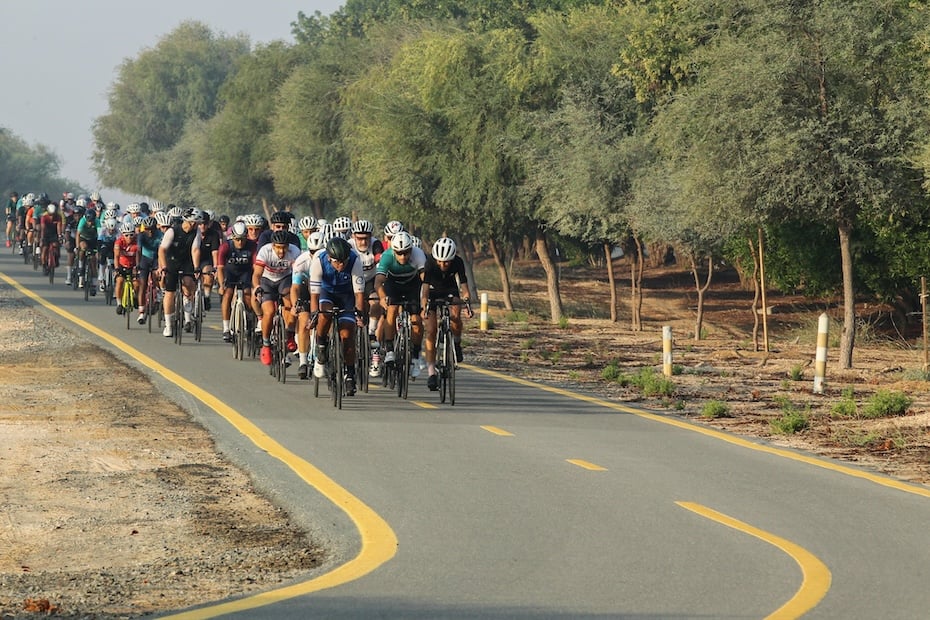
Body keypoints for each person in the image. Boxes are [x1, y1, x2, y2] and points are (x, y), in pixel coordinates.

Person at [309, 237, 365, 393]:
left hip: (347, 295)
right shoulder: (319, 260)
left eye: (343, 262)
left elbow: (359, 294)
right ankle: (321, 347)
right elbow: (314, 295)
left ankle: (350, 374)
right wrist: (314, 314)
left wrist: (359, 314)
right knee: (324, 314)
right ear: (329, 258)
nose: (341, 265)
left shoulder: (354, 260)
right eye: (337, 262)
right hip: (327, 292)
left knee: (347, 335)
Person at [421, 236, 474, 390]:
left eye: (447, 262)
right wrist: (424, 307)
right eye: (440, 261)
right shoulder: (430, 262)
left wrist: (467, 304)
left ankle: (456, 342)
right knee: (431, 330)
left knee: (455, 316)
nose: (443, 265)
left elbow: (464, 286)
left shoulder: (458, 262)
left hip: (450, 290)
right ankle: (431, 372)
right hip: (432, 292)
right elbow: (424, 289)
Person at [375, 230, 428, 379]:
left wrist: (425, 301)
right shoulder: (386, 256)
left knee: (416, 320)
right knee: (391, 310)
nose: (403, 256)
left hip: (413, 286)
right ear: (394, 251)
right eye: (399, 253)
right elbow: (378, 281)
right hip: (393, 285)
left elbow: (425, 280)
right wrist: (382, 297)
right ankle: (390, 348)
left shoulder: (418, 255)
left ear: (411, 249)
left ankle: (416, 354)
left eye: (406, 252)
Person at [252, 229, 301, 365]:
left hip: (284, 279)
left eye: (284, 247)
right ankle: (266, 344)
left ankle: (289, 333)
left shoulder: (295, 251)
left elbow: (298, 273)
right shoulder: (265, 251)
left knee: (290, 304)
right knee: (269, 312)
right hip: (267, 281)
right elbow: (257, 274)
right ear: (273, 245)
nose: (281, 251)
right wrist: (257, 287)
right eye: (278, 247)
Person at [348, 219, 385, 377]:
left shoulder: (376, 244)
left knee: (375, 301)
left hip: (370, 280)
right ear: (354, 236)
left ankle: (371, 331)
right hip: (352, 279)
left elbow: (379, 257)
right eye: (360, 238)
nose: (363, 241)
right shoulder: (349, 245)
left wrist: (379, 258)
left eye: (366, 238)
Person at [158, 208, 202, 337]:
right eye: (193, 222)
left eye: (197, 223)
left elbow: (195, 250)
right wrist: (164, 266)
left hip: (186, 261)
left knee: (188, 282)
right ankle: (168, 325)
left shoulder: (196, 232)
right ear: (188, 221)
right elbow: (162, 250)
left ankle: (188, 305)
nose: (195, 225)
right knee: (170, 293)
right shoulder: (172, 231)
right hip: (171, 261)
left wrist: (197, 267)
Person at [290, 229, 325, 379]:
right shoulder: (301, 261)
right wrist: (294, 305)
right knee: (304, 321)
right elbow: (295, 287)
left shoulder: (330, 260)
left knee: (326, 319)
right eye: (312, 251)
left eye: (320, 251)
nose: (316, 254)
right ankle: (303, 362)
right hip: (306, 288)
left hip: (324, 290)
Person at [216, 221, 257, 343]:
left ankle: (250, 319)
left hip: (246, 273)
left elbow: (255, 267)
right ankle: (226, 328)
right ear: (233, 237)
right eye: (237, 239)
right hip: (230, 273)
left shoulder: (252, 246)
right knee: (227, 294)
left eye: (243, 239)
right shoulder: (225, 246)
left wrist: (255, 284)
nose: (240, 242)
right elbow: (220, 268)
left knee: (248, 294)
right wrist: (221, 284)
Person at [135, 216, 161, 324]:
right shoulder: (141, 236)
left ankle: (158, 294)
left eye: (152, 229)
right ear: (144, 229)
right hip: (145, 259)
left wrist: (160, 266)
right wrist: (137, 265)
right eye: (147, 229)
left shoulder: (160, 235)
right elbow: (138, 251)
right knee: (142, 285)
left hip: (156, 258)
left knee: (157, 276)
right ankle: (141, 312)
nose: (150, 232)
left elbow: (162, 250)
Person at [113, 222, 140, 316]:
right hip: (121, 265)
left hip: (133, 265)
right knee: (120, 281)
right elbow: (116, 256)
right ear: (122, 235)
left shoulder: (137, 242)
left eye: (131, 235)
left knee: (136, 284)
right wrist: (116, 269)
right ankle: (119, 303)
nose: (129, 237)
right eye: (126, 235)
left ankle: (136, 297)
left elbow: (138, 256)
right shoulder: (118, 242)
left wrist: (136, 268)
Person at [198, 211, 223, 311]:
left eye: (205, 224)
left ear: (209, 224)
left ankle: (207, 297)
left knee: (208, 275)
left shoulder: (213, 234)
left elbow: (215, 252)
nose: (203, 226)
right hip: (190, 259)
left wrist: (216, 268)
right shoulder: (193, 233)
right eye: (200, 224)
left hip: (206, 260)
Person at [75, 205, 99, 292]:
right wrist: (77, 246)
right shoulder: (82, 221)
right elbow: (78, 234)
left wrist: (99, 248)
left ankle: (93, 283)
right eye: (88, 221)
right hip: (83, 238)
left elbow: (100, 235)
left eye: (91, 221)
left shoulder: (97, 221)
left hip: (93, 239)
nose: (90, 223)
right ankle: (81, 267)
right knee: (83, 248)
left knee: (93, 261)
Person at [38, 201, 64, 274]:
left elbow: (59, 227)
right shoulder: (44, 217)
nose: (52, 217)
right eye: (50, 215)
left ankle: (56, 258)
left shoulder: (58, 216)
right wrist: (42, 238)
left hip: (54, 233)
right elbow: (43, 228)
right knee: (44, 249)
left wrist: (60, 236)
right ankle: (44, 265)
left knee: (56, 245)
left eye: (53, 215)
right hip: (46, 233)